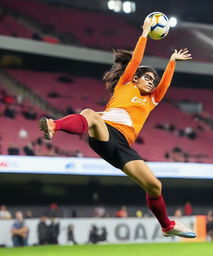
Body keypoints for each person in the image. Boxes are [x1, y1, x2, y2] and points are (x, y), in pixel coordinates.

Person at [39, 18, 195, 238]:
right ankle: (54, 125)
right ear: (136, 77)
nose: (151, 82)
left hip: (122, 147)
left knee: (154, 186)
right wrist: (145, 33)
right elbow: (137, 58)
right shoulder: (125, 84)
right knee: (90, 114)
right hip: (105, 132)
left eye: (153, 80)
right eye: (147, 77)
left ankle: (167, 226)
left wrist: (172, 61)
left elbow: (165, 84)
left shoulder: (150, 100)